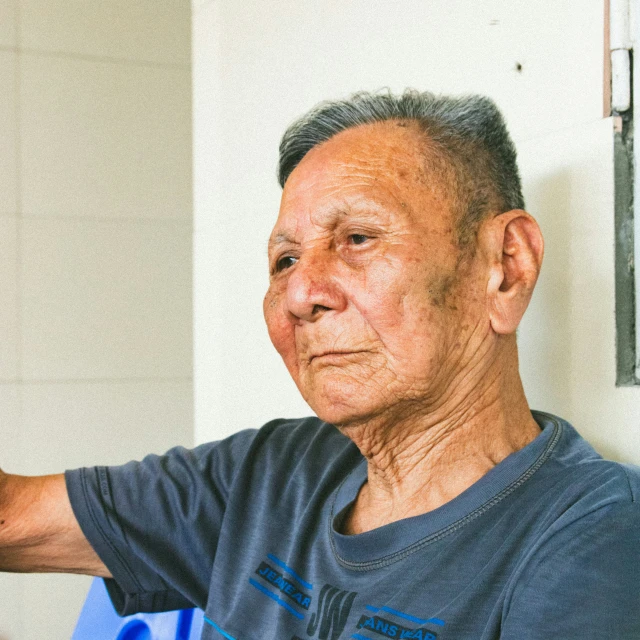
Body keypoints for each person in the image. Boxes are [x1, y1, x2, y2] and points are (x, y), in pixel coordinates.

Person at [1, 90, 639, 640]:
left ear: (506, 267)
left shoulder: (596, 538)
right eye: (283, 262)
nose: (301, 294)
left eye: (357, 239)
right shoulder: (272, 475)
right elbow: (12, 520)